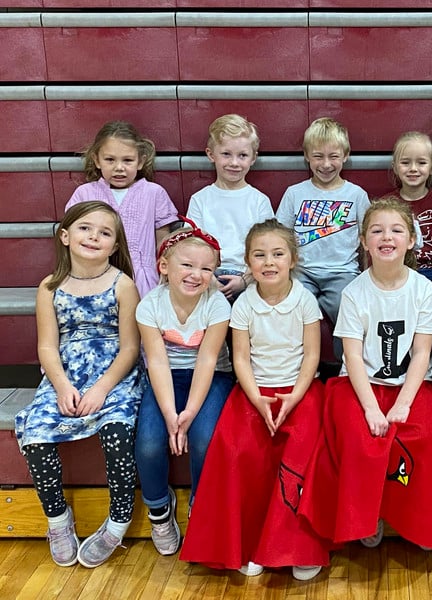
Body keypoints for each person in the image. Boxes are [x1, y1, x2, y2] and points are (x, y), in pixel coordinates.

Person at [298, 198, 432, 551]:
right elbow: (351, 356)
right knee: (362, 440)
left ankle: (416, 522)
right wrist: (370, 408)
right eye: (377, 231)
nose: (387, 237)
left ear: (411, 241)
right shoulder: (353, 292)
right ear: (364, 241)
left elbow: (422, 353)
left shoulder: (424, 290)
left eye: (397, 230)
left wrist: (402, 403)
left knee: (421, 437)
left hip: (413, 386)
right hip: (359, 385)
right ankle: (369, 517)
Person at [180, 219, 329, 581]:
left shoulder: (304, 300)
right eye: (259, 255)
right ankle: (247, 542)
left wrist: (295, 395)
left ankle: (297, 547)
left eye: (278, 254)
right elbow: (241, 358)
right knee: (236, 450)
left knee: (304, 452)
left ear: (293, 259)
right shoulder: (244, 304)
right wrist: (257, 398)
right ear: (248, 263)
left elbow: (311, 355)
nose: (269, 262)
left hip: (298, 392)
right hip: (254, 393)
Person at [15, 201, 142, 568]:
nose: (94, 237)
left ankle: (119, 519)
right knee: (35, 434)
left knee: (117, 429)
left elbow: (131, 347)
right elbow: (46, 346)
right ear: (66, 235)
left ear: (115, 247)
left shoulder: (123, 285)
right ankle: (57, 520)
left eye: (105, 233)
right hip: (65, 375)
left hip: (113, 375)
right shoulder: (49, 287)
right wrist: (61, 386)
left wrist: (102, 388)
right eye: (86, 228)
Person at [135, 220, 234, 557]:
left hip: (212, 376)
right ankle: (160, 511)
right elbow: (158, 363)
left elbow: (208, 360)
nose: (197, 275)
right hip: (166, 378)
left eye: (207, 268)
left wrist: (188, 414)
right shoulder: (149, 305)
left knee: (204, 438)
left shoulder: (217, 303)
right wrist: (169, 414)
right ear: (164, 267)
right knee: (149, 442)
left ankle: (200, 505)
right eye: (187, 265)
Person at [276, 117, 370, 338]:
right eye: (318, 156)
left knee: (346, 308)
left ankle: (345, 361)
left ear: (345, 156)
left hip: (342, 272)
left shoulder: (356, 195)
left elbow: (368, 240)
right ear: (307, 156)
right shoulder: (294, 193)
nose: (326, 164)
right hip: (302, 272)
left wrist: (367, 276)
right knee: (294, 308)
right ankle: (301, 363)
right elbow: (280, 235)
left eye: (334, 156)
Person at [66, 121, 179, 299]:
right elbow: (72, 237)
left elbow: (163, 242)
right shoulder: (84, 193)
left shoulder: (154, 193)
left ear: (140, 162)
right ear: (97, 160)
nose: (119, 168)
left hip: (143, 281)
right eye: (110, 160)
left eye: (127, 160)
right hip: (94, 276)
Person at [187, 114, 275, 302]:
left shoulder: (259, 201)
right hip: (206, 275)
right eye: (226, 154)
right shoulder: (200, 200)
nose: (234, 163)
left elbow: (268, 247)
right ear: (211, 154)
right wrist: (208, 277)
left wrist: (246, 279)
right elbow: (191, 245)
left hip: (250, 277)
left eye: (242, 155)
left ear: (253, 158)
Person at [387, 131, 432, 295]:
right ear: (395, 167)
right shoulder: (387, 205)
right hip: (397, 274)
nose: (413, 169)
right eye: (405, 162)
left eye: (421, 163)